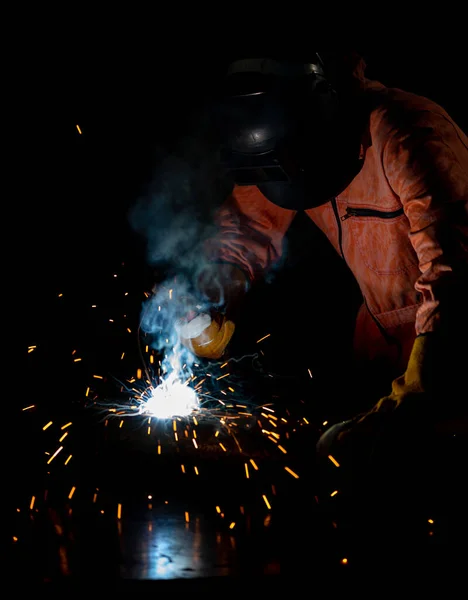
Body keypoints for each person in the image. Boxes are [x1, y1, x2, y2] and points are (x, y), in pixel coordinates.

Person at [170, 51, 468, 471]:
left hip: (451, 349)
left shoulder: (407, 133)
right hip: (379, 352)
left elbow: (454, 269)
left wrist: (425, 387)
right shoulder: (281, 139)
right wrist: (210, 294)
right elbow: (247, 227)